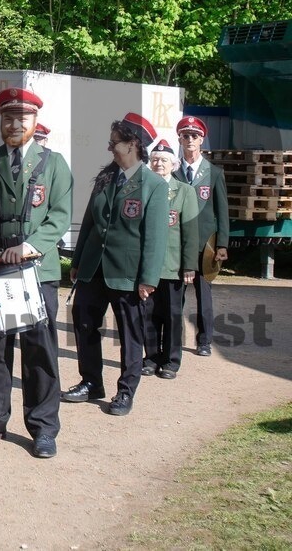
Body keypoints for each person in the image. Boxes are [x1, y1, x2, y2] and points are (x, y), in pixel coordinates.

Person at [0, 87, 72, 459]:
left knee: (40, 351)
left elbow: (60, 216)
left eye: (22, 118)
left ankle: (43, 429)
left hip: (37, 271)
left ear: (35, 122)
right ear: (0, 121)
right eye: (8, 118)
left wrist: (31, 245)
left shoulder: (53, 164)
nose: (14, 124)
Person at [63, 113, 169, 417]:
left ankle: (126, 391)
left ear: (133, 144)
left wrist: (148, 279)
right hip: (93, 269)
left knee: (130, 334)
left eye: (115, 142)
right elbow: (89, 223)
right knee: (84, 323)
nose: (110, 147)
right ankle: (91, 382)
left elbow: (156, 238)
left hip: (128, 274)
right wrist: (78, 261)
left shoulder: (153, 186)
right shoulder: (106, 178)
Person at [143, 140, 199, 379]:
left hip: (173, 266)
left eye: (164, 160)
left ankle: (171, 361)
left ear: (173, 164)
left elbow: (191, 230)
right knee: (148, 315)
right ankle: (151, 357)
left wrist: (189, 265)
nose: (159, 164)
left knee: (173, 315)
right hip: (147, 268)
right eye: (155, 159)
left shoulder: (184, 191)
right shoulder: (142, 188)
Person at [174, 115, 229, 357]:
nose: (190, 139)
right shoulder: (172, 171)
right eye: (185, 135)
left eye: (194, 136)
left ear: (202, 140)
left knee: (204, 296)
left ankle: (204, 340)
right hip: (177, 245)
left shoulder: (214, 173)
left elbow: (223, 212)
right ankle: (173, 339)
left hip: (205, 246)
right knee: (175, 296)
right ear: (180, 138)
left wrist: (223, 244)